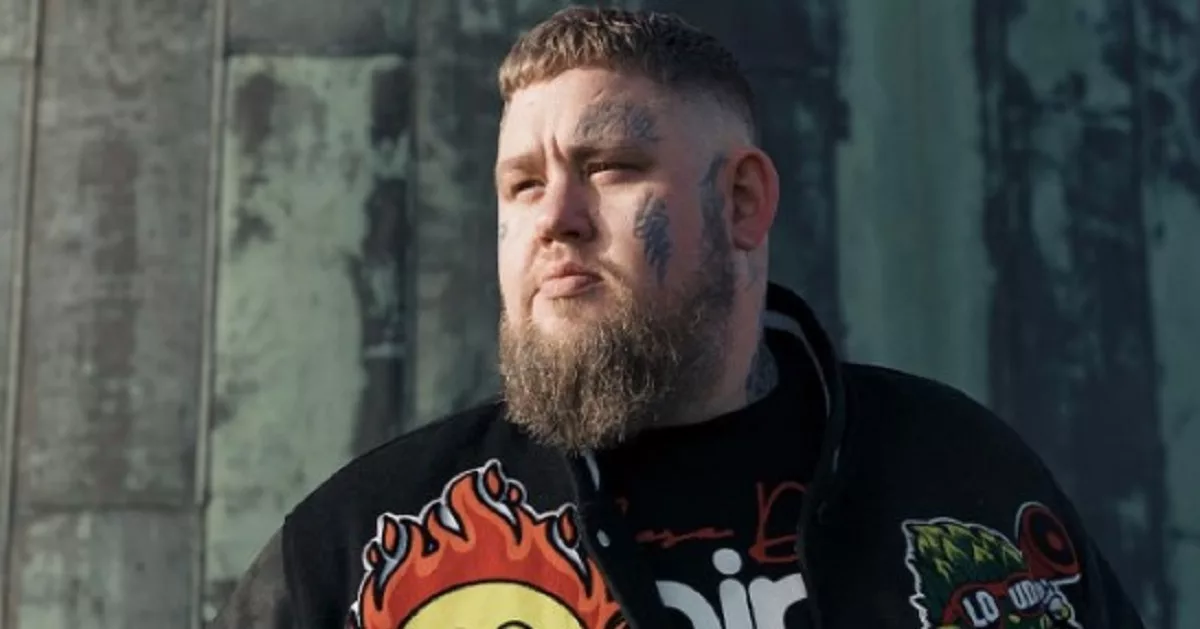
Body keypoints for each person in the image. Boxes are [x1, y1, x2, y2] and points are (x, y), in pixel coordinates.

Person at [212, 7, 1146, 629]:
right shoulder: (365, 548)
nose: (555, 216)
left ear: (742, 202)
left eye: (610, 167)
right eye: (522, 183)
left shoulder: (960, 479)